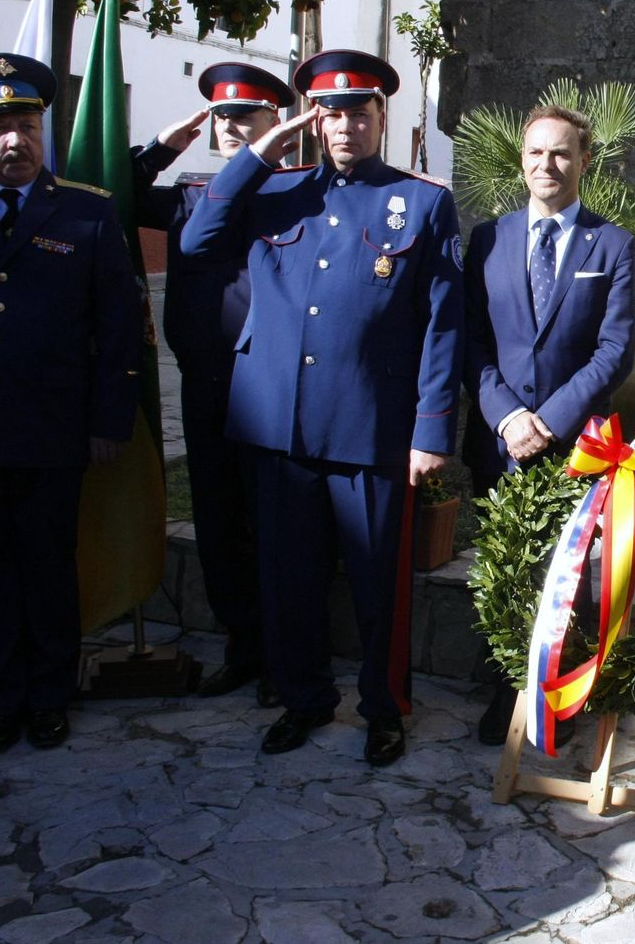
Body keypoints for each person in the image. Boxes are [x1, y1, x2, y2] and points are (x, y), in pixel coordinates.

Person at [180, 49, 465, 767]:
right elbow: (195, 239)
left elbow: (443, 324)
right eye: (331, 114)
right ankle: (303, 698)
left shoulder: (421, 202)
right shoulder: (274, 190)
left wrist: (432, 430)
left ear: (380, 118)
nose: (345, 126)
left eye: (359, 113)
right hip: (278, 426)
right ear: (313, 121)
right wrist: (260, 153)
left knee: (377, 586)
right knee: (289, 580)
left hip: (370, 428)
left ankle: (384, 708)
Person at [0, 53, 141, 753]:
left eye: (28, 125)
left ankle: (49, 695)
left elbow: (118, 326)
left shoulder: (87, 212)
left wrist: (109, 419)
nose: (17, 140)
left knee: (47, 565)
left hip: (51, 425)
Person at [463, 104, 635, 745]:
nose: (548, 164)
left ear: (584, 161)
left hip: (574, 446)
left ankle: (558, 698)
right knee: (502, 568)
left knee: (564, 579)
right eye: (536, 152)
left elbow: (614, 350)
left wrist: (550, 420)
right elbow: (471, 340)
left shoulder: (612, 244)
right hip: (499, 438)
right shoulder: (488, 239)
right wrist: (510, 417)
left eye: (562, 152)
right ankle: (502, 692)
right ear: (522, 161)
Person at [133, 63, 296, 707]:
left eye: (245, 118)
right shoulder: (190, 194)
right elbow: (113, 194)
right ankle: (242, 646)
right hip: (205, 383)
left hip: (274, 388)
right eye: (222, 118)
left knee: (274, 525)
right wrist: (161, 148)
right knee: (219, 522)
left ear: (274, 122)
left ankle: (283, 654)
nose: (230, 127)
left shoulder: (296, 191)